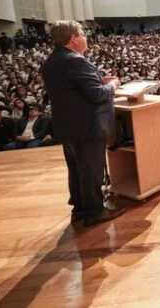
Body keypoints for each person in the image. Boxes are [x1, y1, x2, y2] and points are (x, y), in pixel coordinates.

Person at [41, 20, 125, 227]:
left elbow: (73, 90)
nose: (86, 38)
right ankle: (94, 212)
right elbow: (97, 95)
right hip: (88, 126)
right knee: (91, 170)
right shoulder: (76, 61)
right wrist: (113, 85)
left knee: (77, 170)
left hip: (68, 125)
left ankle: (79, 209)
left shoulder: (51, 61)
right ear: (73, 38)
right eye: (83, 34)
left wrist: (99, 81)